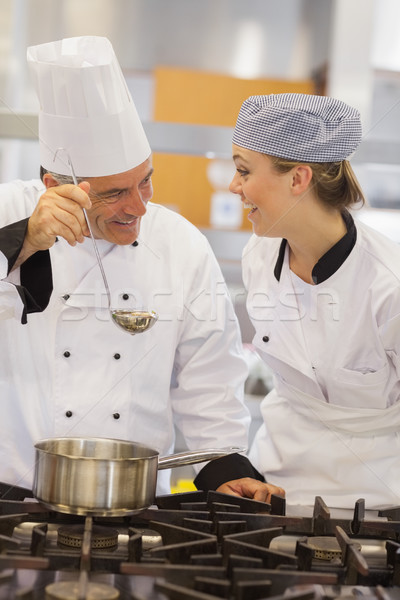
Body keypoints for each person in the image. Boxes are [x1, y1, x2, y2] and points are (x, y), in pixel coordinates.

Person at [0, 36, 284, 502]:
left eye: (146, 180)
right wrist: (24, 242)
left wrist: (222, 466)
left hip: (133, 507)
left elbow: (209, 378)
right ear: (54, 186)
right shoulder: (8, 212)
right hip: (12, 501)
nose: (139, 206)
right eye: (114, 193)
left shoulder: (181, 245)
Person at [228, 93, 400, 510]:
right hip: (274, 492)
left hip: (376, 506)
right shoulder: (259, 255)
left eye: (244, 171)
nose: (234, 186)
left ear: (298, 179)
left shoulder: (388, 285)